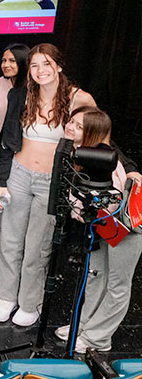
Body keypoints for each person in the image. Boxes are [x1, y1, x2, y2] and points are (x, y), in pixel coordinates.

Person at [0, 43, 94, 326]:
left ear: (59, 66)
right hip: (19, 174)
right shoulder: (21, 95)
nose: (40, 71)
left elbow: (99, 138)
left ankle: (29, 301)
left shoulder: (79, 99)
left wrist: (129, 169)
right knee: (10, 240)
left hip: (53, 181)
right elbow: (8, 141)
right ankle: (6, 296)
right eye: (35, 65)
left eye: (46, 64)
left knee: (38, 245)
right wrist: (1, 181)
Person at [55, 108, 142, 353]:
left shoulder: (103, 159)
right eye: (71, 121)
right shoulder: (79, 153)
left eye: (79, 126)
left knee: (117, 285)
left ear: (92, 132)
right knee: (95, 276)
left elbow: (110, 203)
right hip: (102, 226)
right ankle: (81, 326)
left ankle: (98, 338)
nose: (70, 127)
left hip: (127, 227)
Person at [0, 43, 30, 259]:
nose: (6, 65)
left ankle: (1, 243)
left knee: (5, 199)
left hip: (13, 153)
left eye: (11, 61)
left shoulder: (29, 88)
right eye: (3, 60)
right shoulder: (0, 82)